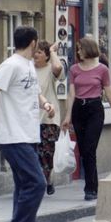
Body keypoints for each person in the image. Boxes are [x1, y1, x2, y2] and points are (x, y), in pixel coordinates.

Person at [0, 26, 56, 222]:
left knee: (24, 186)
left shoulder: (28, 66)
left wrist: (46, 104)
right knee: (37, 183)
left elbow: (34, 91)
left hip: (29, 136)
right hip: (14, 138)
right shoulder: (11, 65)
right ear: (33, 42)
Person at [61, 35, 111, 201]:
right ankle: (92, 186)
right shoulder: (74, 69)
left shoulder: (102, 69)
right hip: (78, 110)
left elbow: (109, 92)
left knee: (89, 148)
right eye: (78, 49)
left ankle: (91, 188)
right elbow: (72, 93)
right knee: (83, 151)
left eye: (80, 49)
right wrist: (67, 116)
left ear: (88, 49)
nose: (78, 52)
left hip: (95, 109)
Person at [34, 40, 65, 195]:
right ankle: (38, 183)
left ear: (46, 56)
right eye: (35, 51)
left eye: (39, 52)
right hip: (31, 119)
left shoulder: (50, 70)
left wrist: (53, 51)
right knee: (34, 154)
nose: (35, 55)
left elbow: (58, 67)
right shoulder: (28, 70)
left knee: (47, 154)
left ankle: (48, 181)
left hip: (49, 119)